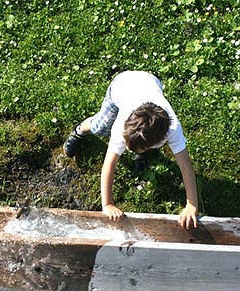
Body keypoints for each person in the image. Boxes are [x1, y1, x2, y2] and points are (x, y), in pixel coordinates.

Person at [63, 70, 199, 229]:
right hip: (122, 86)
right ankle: (80, 130)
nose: (125, 149)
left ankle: (142, 154)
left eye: (133, 147)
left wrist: (192, 204)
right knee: (99, 127)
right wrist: (107, 204)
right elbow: (109, 165)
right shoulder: (122, 126)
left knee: (144, 144)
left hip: (150, 82)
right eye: (127, 144)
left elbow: (185, 165)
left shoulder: (173, 129)